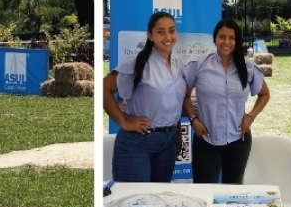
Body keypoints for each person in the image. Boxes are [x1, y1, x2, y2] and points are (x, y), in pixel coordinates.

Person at [183, 18, 270, 184]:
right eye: (222, 37)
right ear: (215, 38)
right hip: (207, 142)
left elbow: (265, 94)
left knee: (232, 194)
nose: (226, 42)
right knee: (204, 192)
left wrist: (250, 116)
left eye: (232, 38)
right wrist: (193, 120)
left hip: (238, 141)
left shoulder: (247, 67)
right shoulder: (199, 65)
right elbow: (185, 96)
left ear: (237, 41)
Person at [103, 12, 187, 182]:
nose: (168, 36)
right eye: (161, 32)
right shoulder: (138, 64)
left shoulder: (178, 64)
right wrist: (125, 121)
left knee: (158, 202)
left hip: (168, 143)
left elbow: (173, 102)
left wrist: (177, 133)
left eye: (171, 30)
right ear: (150, 36)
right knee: (134, 204)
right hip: (137, 144)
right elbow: (104, 87)